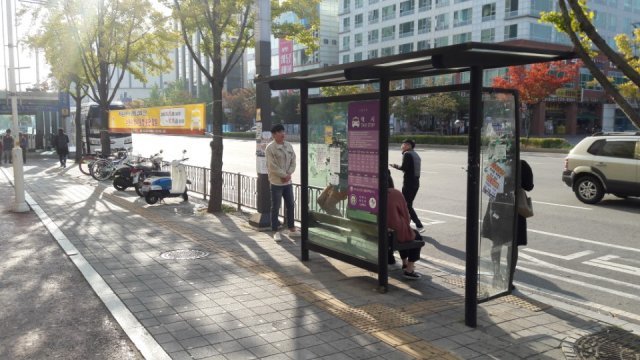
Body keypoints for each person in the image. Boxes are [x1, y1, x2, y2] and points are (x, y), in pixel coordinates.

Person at [265, 124, 299, 242]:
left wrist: (289, 174)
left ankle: (292, 229)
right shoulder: (270, 148)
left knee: (290, 205)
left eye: (283, 131)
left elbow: (293, 160)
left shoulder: (288, 145)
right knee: (276, 207)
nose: (283, 133)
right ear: (274, 135)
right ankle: (275, 231)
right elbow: (271, 166)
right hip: (276, 183)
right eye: (280, 132)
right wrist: (284, 175)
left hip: (287, 182)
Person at [386, 173, 423, 280]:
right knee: (415, 236)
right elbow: (406, 216)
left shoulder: (372, 193)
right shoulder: (395, 193)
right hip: (393, 235)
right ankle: (409, 269)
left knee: (401, 232)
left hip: (378, 233)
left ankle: (404, 262)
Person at [509, 159, 534, 290]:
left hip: (496, 204)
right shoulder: (522, 164)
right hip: (515, 208)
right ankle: (509, 279)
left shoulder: (496, 163)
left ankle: (496, 274)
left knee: (496, 242)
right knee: (513, 245)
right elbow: (529, 185)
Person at [390, 139, 424, 232]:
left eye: (403, 144)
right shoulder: (416, 154)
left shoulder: (407, 154)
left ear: (408, 146)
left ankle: (419, 225)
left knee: (406, 205)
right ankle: (407, 224)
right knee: (408, 204)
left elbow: (404, 167)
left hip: (409, 183)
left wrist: (394, 165)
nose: (402, 146)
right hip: (416, 183)